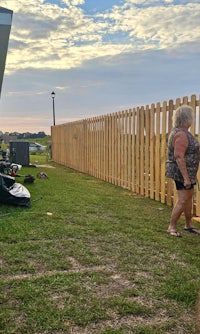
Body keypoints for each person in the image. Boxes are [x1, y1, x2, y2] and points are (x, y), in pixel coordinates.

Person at [165, 105, 200, 237]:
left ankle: (188, 224)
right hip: (181, 173)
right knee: (183, 199)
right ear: (187, 118)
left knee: (188, 197)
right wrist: (186, 177)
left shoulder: (182, 132)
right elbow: (179, 157)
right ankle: (171, 227)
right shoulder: (180, 134)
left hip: (188, 172)